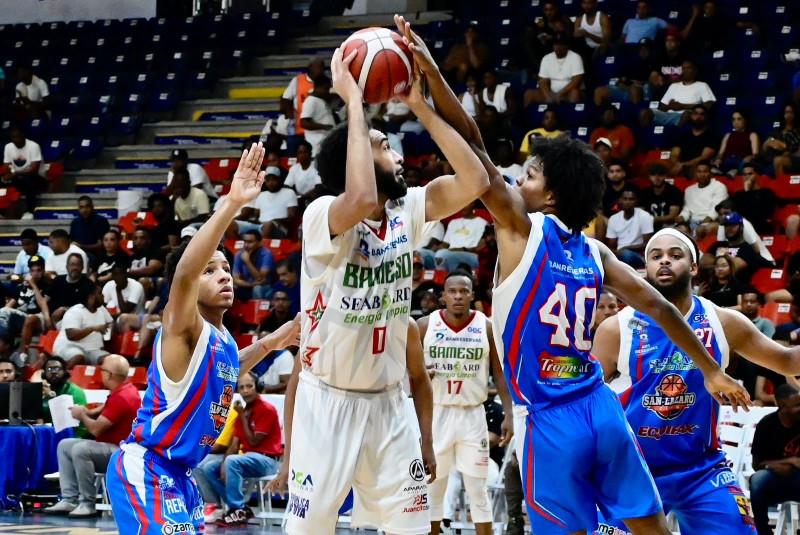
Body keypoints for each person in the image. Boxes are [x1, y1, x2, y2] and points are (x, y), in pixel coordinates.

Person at [394, 14, 748, 535]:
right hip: (602, 410)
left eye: (531, 175)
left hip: (551, 418)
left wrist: (423, 99)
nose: (519, 178)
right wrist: (711, 369)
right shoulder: (597, 252)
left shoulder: (521, 226)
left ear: (551, 196)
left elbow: (475, 152)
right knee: (651, 527)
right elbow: (663, 308)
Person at [276, 34, 490, 534]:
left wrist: (420, 103)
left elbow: (476, 180)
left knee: (413, 528)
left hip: (390, 401)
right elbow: (358, 195)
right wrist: (353, 104)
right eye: (380, 144)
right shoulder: (321, 215)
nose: (392, 151)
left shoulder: (405, 210)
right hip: (327, 400)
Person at [105, 142, 301, 534]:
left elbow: (226, 369)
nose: (225, 275)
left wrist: (274, 341)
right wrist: (230, 204)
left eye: (226, 268)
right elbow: (183, 276)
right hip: (148, 465)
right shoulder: (181, 324)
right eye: (211, 271)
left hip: (182, 474)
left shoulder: (221, 340)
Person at [591, 227, 800, 534]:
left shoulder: (723, 322)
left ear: (691, 267)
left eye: (675, 255)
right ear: (645, 268)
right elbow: (587, 397)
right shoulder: (617, 329)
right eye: (656, 256)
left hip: (700, 469)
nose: (664, 262)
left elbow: (785, 360)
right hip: (632, 470)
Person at [418, 269, 513, 535]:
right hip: (437, 415)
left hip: (473, 415)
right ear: (443, 296)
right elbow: (406, 370)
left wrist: (508, 412)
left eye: (464, 291)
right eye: (452, 291)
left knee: (478, 490)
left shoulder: (487, 327)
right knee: (433, 489)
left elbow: (500, 374)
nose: (458, 296)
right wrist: (420, 375)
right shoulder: (425, 326)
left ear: (472, 295)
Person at [44, 355, 140, 518]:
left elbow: (96, 430)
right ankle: (69, 498)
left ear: (109, 375)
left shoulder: (122, 397)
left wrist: (82, 416)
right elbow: (102, 410)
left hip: (121, 452)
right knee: (65, 445)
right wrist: (86, 411)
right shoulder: (123, 390)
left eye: (102, 370)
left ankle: (87, 502)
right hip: (111, 447)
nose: (100, 374)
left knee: (82, 449)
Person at [204, 372, 282, 527]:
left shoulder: (267, 409)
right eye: (242, 387)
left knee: (232, 461)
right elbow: (234, 445)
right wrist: (224, 463)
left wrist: (242, 418)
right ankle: (238, 508)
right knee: (209, 467)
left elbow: (253, 441)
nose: (245, 391)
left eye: (249, 386)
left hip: (268, 461)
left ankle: (238, 508)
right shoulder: (244, 411)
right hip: (247, 460)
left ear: (258, 387)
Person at [750, 384, 800, 535]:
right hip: (774, 480)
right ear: (782, 406)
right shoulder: (767, 424)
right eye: (797, 405)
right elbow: (757, 464)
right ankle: (763, 531)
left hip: (798, 479)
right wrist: (789, 461)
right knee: (757, 479)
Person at [53, 284, 113, 368]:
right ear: (91, 297)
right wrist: (93, 328)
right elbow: (71, 335)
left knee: (111, 360)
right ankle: (62, 377)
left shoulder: (101, 309)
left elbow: (110, 322)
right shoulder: (75, 311)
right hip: (70, 347)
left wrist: (107, 336)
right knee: (79, 358)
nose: (103, 296)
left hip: (93, 350)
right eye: (100, 293)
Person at [6, 256, 50, 363]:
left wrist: (34, 286)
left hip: (37, 316)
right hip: (20, 316)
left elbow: (43, 304)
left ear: (43, 270)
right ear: (29, 271)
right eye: (32, 270)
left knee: (30, 318)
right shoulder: (22, 286)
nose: (35, 274)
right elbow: (12, 303)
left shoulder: (48, 285)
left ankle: (22, 353)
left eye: (39, 270)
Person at [701, 212, 765, 282]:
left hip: (735, 288)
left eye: (733, 225)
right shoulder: (717, 245)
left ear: (741, 228)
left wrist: (714, 263)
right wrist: (726, 264)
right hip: (713, 286)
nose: (729, 228)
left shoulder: (747, 249)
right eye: (727, 225)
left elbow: (733, 267)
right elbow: (703, 263)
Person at [648, 62, 716, 127]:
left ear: (695, 70)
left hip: (687, 115)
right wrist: (670, 106)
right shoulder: (673, 85)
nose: (685, 70)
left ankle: (676, 135)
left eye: (688, 67)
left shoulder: (702, 85)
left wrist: (683, 106)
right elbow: (662, 108)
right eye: (683, 68)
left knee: (686, 114)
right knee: (646, 112)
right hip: (668, 115)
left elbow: (708, 106)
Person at [526, 32, 585, 105]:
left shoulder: (575, 58)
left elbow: (576, 82)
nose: (558, 47)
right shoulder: (546, 58)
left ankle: (572, 114)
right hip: (552, 93)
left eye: (561, 44)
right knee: (529, 93)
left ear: (567, 45)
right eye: (556, 44)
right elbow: (542, 81)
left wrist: (560, 94)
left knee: (574, 92)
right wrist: (548, 96)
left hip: (569, 92)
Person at [2, 127, 47, 216]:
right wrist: (10, 174)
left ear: (23, 136)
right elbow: (7, 166)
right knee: (2, 180)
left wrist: (15, 173)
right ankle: (2, 211)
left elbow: (34, 170)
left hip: (38, 180)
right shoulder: (8, 147)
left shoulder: (34, 146)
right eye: (13, 137)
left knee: (28, 178)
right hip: (19, 179)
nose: (15, 139)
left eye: (17, 136)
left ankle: (30, 210)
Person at [606, 187, 654, 268]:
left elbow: (648, 244)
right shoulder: (613, 218)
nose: (628, 202)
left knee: (626, 255)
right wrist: (616, 252)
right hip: (619, 254)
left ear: (636, 201)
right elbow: (611, 245)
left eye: (631, 199)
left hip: (639, 255)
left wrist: (626, 248)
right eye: (625, 199)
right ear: (620, 201)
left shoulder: (645, 216)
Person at [675, 161, 728, 235]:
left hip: (712, 222)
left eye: (705, 172)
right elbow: (687, 209)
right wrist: (682, 217)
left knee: (700, 229)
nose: (702, 175)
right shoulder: (689, 190)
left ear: (710, 173)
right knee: (674, 230)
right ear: (695, 174)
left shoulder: (719, 187)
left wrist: (703, 223)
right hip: (693, 223)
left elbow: (716, 210)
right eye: (699, 172)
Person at [41, 355, 89, 438]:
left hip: (73, 435)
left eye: (57, 369)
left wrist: (52, 396)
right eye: (49, 369)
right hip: (49, 433)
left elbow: (66, 421)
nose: (53, 372)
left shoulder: (75, 391)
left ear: (65, 372)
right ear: (43, 374)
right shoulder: (42, 391)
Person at [435, 201, 487, 271]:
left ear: (472, 204)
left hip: (470, 254)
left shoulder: (482, 223)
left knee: (441, 255)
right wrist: (437, 248)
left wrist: (460, 249)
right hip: (450, 253)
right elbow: (445, 244)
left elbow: (479, 247)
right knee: (435, 255)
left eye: (465, 204)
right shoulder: (453, 222)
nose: (462, 207)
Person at [669, 105, 719, 177]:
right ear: (691, 116)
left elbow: (704, 157)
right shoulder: (684, 135)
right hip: (680, 166)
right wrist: (677, 164)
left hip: (699, 167)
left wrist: (684, 165)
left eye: (702, 114)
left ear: (706, 117)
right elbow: (674, 154)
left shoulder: (712, 136)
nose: (698, 117)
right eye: (695, 114)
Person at [249, 167, 299, 239]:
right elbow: (256, 214)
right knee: (231, 224)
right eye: (268, 180)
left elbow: (292, 216)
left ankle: (258, 246)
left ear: (279, 179)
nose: (270, 183)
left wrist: (277, 220)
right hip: (260, 225)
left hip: (279, 228)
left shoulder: (289, 192)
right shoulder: (261, 195)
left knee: (269, 224)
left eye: (273, 179)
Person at [47, 253, 95, 329]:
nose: (75, 268)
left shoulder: (88, 284)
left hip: (74, 320)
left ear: (82, 267)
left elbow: (87, 308)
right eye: (72, 264)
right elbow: (45, 301)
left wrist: (64, 309)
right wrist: (47, 317)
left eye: (78, 265)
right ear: (67, 267)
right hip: (51, 318)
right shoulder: (57, 280)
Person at [280, 58, 325, 137]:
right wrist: (289, 113)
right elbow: (285, 98)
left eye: (323, 68)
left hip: (317, 128)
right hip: (299, 128)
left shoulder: (324, 82)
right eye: (319, 67)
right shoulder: (298, 80)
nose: (321, 70)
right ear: (311, 67)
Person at [711, 110, 760, 176]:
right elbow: (720, 153)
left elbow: (756, 154)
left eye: (739, 119)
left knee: (744, 164)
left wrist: (750, 157)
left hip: (741, 161)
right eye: (733, 120)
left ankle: (733, 171)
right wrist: (718, 159)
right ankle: (726, 171)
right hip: (727, 161)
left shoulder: (752, 135)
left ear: (745, 121)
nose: (735, 122)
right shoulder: (728, 135)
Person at [731, 164, 776, 236]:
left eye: (750, 174)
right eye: (744, 175)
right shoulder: (738, 195)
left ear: (757, 175)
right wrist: (746, 191)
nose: (747, 177)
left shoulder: (767, 192)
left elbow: (764, 212)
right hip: (742, 224)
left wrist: (748, 191)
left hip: (761, 224)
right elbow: (737, 211)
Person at [300, 74, 337, 156]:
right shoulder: (311, 101)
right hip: (316, 146)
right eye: (326, 88)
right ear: (318, 87)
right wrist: (324, 127)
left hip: (325, 145)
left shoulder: (321, 100)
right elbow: (303, 123)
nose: (327, 91)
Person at [232, 229, 274, 301]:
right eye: (245, 241)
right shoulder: (240, 254)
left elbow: (259, 279)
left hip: (266, 286)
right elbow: (236, 280)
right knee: (231, 288)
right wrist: (250, 284)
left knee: (257, 288)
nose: (246, 245)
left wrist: (247, 261)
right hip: (248, 285)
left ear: (259, 243)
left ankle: (258, 311)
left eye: (250, 242)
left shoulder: (267, 254)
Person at [639, 162, 683, 230]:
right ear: (649, 177)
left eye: (660, 175)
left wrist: (652, 219)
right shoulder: (644, 193)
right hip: (649, 225)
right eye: (653, 175)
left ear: (665, 176)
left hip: (669, 225)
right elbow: (641, 214)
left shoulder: (674, 191)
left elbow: (672, 216)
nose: (656, 178)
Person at [762, 103, 800, 177]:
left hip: (793, 159)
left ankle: (782, 186)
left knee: (778, 161)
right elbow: (762, 151)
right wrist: (767, 143)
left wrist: (790, 154)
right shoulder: (776, 131)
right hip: (772, 158)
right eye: (786, 112)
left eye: (791, 112)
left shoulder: (798, 131)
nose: (788, 115)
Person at [284, 140, 322, 204]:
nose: (302, 155)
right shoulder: (294, 168)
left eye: (305, 152)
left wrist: (303, 198)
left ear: (310, 153)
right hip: (299, 200)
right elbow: (286, 186)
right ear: (297, 154)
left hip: (313, 199)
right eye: (300, 152)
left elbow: (319, 186)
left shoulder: (316, 166)